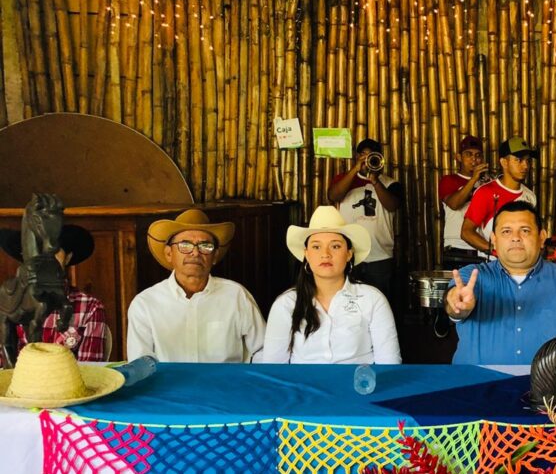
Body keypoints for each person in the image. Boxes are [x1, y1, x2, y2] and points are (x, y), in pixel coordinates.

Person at [445, 201, 556, 365]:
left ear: (542, 238)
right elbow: (453, 305)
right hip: (475, 379)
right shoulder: (472, 276)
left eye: (525, 230)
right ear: (494, 240)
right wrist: (458, 304)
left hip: (549, 380)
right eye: (506, 231)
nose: (515, 238)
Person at [260, 207, 400, 364]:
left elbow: (389, 363)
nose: (325, 254)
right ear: (306, 254)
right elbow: (274, 367)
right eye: (316, 247)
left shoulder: (373, 299)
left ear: (349, 254)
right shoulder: (286, 304)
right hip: (302, 381)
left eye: (335, 246)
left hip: (357, 380)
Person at [127, 209, 265, 362]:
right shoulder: (145, 304)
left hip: (226, 378)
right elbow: (139, 363)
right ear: (169, 254)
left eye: (205, 246)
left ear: (215, 256)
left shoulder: (236, 296)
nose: (195, 253)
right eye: (185, 245)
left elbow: (262, 350)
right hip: (170, 379)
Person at [0, 223, 109, 362]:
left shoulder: (90, 308)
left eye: (53, 253)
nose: (45, 261)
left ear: (68, 258)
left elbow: (90, 370)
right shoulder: (8, 304)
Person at [327, 138, 402, 299]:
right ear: (357, 157)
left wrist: (374, 180)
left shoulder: (391, 183)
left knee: (379, 301)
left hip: (380, 256)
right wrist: (355, 170)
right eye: (363, 155)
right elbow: (334, 196)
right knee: (348, 301)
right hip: (349, 254)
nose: (367, 159)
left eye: (371, 156)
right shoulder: (344, 180)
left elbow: (392, 205)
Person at [461, 138, 538, 255]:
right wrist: (496, 251)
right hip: (493, 263)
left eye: (528, 161)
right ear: (504, 162)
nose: (525, 166)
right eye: (519, 160)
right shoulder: (485, 192)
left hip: (522, 262)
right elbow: (466, 232)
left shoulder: (530, 196)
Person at [439, 135, 489, 269]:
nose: (474, 159)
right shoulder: (449, 180)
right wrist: (473, 180)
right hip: (457, 248)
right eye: (468, 154)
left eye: (478, 155)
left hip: (483, 248)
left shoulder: (488, 183)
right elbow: (454, 204)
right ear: (459, 157)